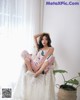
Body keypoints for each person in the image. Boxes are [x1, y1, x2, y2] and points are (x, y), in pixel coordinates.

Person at [12, 33, 55, 100]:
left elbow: (45, 58)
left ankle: (36, 72)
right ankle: (31, 72)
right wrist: (43, 33)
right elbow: (34, 37)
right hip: (35, 65)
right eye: (42, 39)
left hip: (41, 67)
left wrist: (38, 67)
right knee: (25, 54)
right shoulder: (40, 48)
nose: (44, 41)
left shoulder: (51, 48)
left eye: (46, 39)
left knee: (51, 57)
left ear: (48, 40)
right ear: (41, 40)